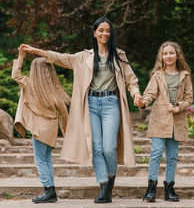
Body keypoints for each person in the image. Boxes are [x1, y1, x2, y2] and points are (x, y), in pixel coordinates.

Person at [20, 17, 141, 203]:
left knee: (109, 148)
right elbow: (60, 58)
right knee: (96, 147)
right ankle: (103, 187)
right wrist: (36, 51)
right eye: (101, 30)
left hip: (110, 103)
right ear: (94, 33)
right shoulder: (83, 57)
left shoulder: (119, 55)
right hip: (90, 105)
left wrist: (136, 94)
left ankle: (110, 181)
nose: (104, 33)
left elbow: (131, 79)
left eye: (108, 30)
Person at [135, 41, 193, 202]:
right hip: (160, 120)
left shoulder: (185, 75)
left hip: (177, 121)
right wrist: (142, 102)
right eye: (165, 53)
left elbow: (189, 98)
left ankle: (169, 188)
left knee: (173, 156)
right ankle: (151, 188)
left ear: (177, 55)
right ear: (161, 56)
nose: (168, 56)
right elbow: (149, 95)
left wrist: (178, 107)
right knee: (155, 154)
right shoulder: (157, 75)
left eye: (171, 53)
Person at [12, 45, 70, 203]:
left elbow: (15, 75)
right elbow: (64, 113)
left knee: (40, 160)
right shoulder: (54, 89)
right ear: (50, 71)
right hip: (51, 129)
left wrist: (21, 56)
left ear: (34, 71)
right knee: (47, 159)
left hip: (39, 129)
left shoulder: (30, 84)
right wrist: (67, 131)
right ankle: (50, 190)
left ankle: (49, 190)